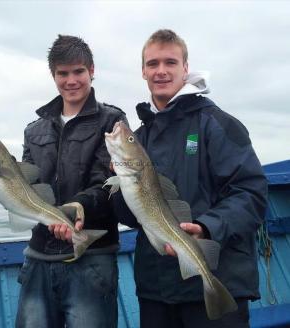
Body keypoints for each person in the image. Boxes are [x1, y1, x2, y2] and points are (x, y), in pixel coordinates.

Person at [113, 29, 268, 327]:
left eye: (170, 62)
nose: (161, 71)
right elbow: (132, 218)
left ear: (186, 68)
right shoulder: (140, 138)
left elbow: (252, 194)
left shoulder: (218, 124)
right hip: (156, 290)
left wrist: (207, 229)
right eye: (153, 63)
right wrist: (121, 185)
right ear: (143, 71)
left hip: (218, 280)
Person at [15, 35, 127, 328]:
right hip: (38, 256)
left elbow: (108, 182)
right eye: (62, 73)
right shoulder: (34, 130)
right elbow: (27, 186)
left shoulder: (112, 122)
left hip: (92, 257)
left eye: (78, 71)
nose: (71, 80)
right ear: (53, 76)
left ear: (92, 70)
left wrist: (77, 209)